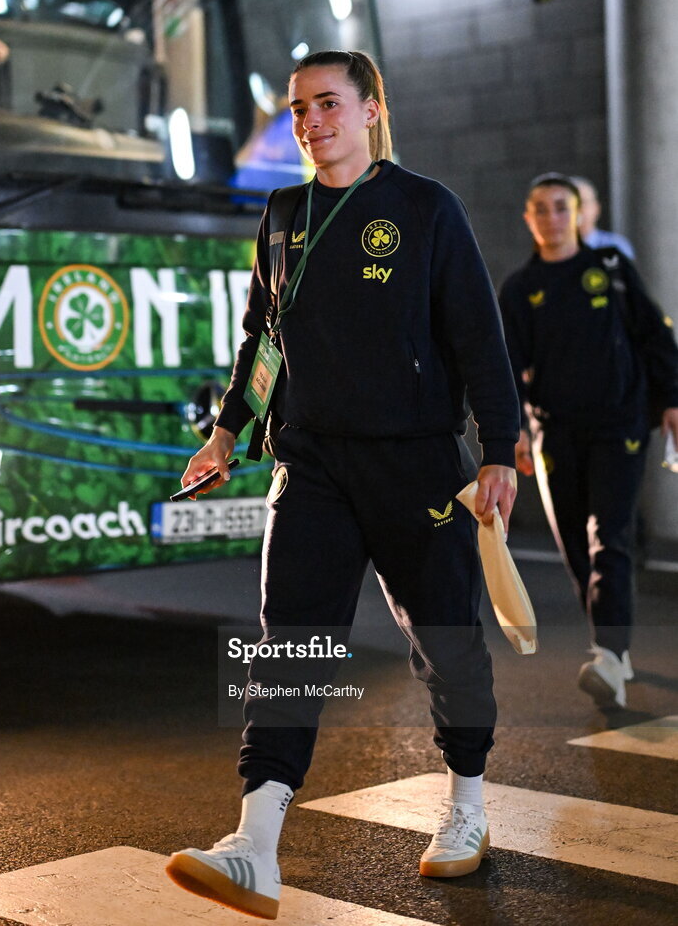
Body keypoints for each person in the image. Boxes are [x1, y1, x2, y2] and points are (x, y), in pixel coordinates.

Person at [164, 50, 520, 920]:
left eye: (328, 103)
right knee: (289, 645)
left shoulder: (425, 208)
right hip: (311, 463)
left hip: (416, 466)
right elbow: (263, 337)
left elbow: (477, 335)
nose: (310, 122)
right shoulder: (283, 215)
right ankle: (254, 845)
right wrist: (225, 431)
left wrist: (499, 448)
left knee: (445, 639)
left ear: (370, 109)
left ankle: (466, 806)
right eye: (297, 109)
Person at [499, 173, 678, 710]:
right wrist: (512, 435)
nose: (552, 218)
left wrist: (672, 401)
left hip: (618, 426)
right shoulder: (519, 289)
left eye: (561, 207)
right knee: (576, 546)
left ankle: (608, 651)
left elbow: (655, 335)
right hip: (555, 432)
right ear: (529, 219)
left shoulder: (611, 270)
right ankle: (611, 646)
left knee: (609, 537)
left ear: (578, 215)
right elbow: (508, 370)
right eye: (541, 209)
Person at [573, 176, 636, 260]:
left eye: (581, 203)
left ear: (596, 208)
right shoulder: (553, 249)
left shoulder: (614, 246)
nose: (576, 210)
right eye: (570, 205)